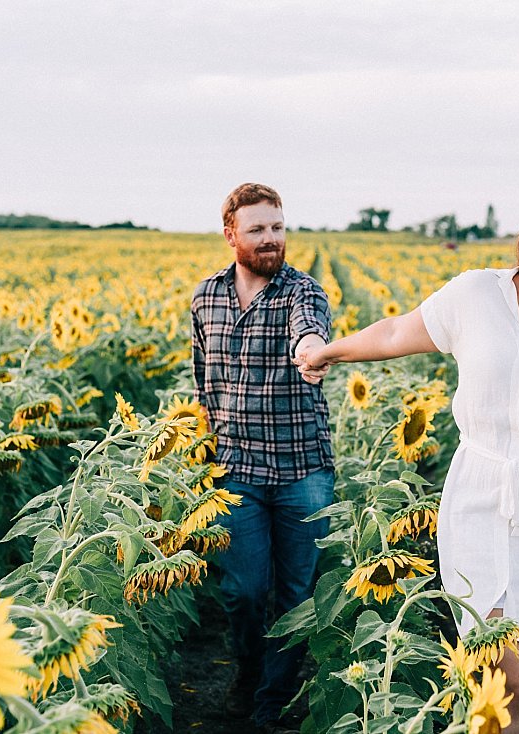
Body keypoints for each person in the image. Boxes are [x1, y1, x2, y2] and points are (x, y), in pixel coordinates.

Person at [296, 186, 519, 733]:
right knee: (513, 677)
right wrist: (327, 352)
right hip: (483, 501)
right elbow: (395, 331)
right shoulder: (478, 296)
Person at [190, 183, 335, 733]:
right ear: (232, 235)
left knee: (296, 596)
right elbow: (204, 379)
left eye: (277, 227)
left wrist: (309, 352)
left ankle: (272, 700)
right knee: (244, 591)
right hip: (237, 471)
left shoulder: (303, 292)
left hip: (302, 468)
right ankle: (249, 674)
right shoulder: (207, 297)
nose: (271, 239)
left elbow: (309, 330)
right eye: (258, 229)